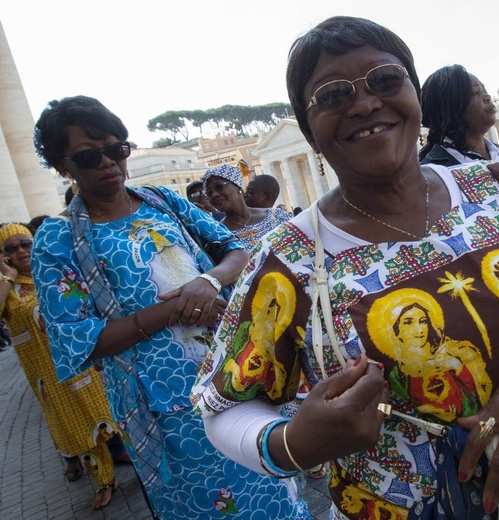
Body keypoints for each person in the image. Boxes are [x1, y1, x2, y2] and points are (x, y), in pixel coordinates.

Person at [192, 16, 499, 519]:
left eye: (384, 80)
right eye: (333, 96)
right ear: (309, 132)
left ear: (416, 96)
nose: (364, 103)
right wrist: (291, 443)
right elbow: (224, 407)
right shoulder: (286, 259)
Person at [31, 95, 309, 519]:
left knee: (273, 487)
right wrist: (177, 307)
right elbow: (78, 342)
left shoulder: (163, 201)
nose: (109, 163)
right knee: (208, 504)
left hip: (233, 371)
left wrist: (208, 280)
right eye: (90, 156)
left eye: (117, 149)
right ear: (63, 165)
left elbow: (234, 250)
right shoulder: (58, 239)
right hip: (166, 405)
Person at [0, 223, 119, 510]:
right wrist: (8, 277)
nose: (21, 251)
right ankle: (103, 479)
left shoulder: (52, 272)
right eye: (11, 248)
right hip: (47, 376)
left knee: (107, 413)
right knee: (76, 428)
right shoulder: (8, 289)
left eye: (25, 243)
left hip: (82, 363)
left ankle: (129, 459)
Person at [419, 64, 499, 192]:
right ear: (449, 108)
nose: (487, 97)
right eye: (476, 92)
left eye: (485, 91)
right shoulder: (433, 175)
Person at [202, 164, 291, 251]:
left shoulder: (277, 217)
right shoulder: (218, 235)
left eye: (219, 187)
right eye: (209, 193)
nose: (214, 195)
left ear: (238, 185)